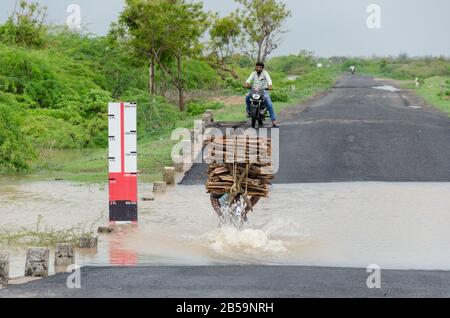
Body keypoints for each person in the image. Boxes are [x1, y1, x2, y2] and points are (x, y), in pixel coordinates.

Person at [245, 62, 279, 128]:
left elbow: (269, 80)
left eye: (260, 67)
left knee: (269, 104)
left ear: (262, 68)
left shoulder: (265, 73)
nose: (258, 69)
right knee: (247, 97)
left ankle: (274, 122)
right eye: (257, 67)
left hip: (264, 91)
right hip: (254, 91)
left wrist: (270, 86)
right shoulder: (253, 73)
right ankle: (249, 110)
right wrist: (247, 84)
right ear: (255, 67)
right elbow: (248, 80)